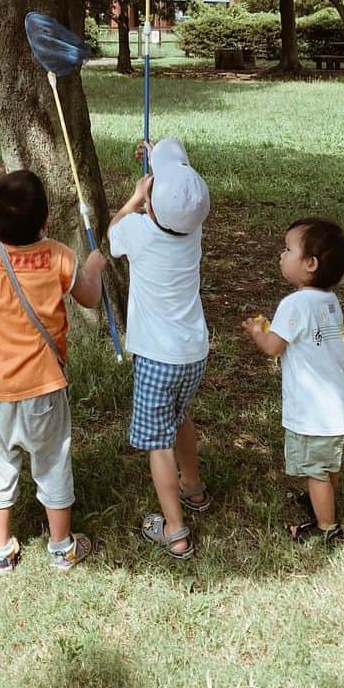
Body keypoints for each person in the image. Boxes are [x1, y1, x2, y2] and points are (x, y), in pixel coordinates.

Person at [0, 170, 107, 575]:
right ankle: (61, 548)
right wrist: (94, 266)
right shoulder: (60, 254)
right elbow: (91, 298)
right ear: (45, 222)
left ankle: (0, 549)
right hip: (45, 385)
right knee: (52, 459)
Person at [108, 137, 212, 561]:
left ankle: (175, 529)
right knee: (180, 416)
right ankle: (195, 487)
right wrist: (156, 157)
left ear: (151, 205)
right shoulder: (194, 227)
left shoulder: (137, 230)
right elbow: (179, 179)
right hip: (194, 353)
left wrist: (133, 199)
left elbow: (112, 235)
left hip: (157, 359)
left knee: (158, 442)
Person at [242, 218, 344, 545]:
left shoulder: (294, 304)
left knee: (316, 473)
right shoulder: (329, 302)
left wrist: (257, 331)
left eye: (288, 249)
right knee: (329, 466)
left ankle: (325, 528)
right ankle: (325, 505)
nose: (282, 254)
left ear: (310, 264)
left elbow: (273, 347)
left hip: (314, 417)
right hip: (340, 411)